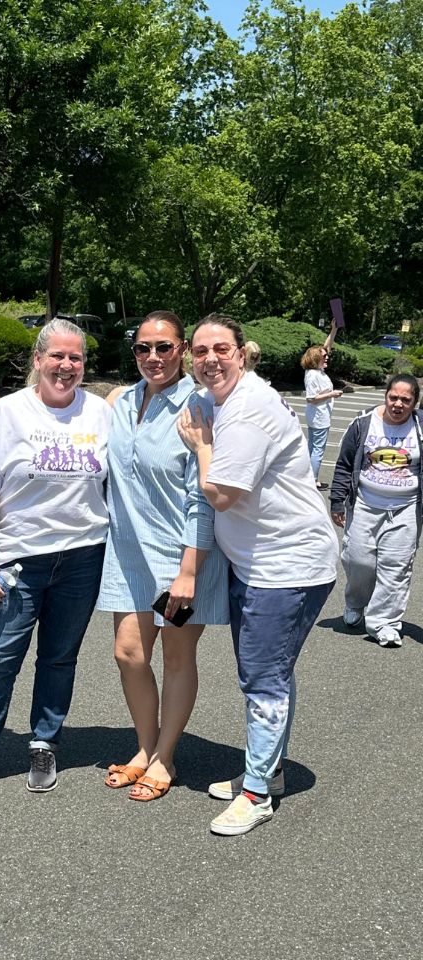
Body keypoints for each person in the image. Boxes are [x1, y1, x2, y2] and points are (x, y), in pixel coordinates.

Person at [178, 313, 338, 836]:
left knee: (263, 678)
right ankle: (269, 772)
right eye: (200, 351)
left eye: (221, 349)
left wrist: (202, 446)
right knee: (270, 673)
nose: (210, 360)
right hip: (259, 563)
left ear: (243, 353)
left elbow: (223, 494)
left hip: (284, 565)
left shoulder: (248, 410)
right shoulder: (223, 398)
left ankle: (256, 794)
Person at [0, 318, 111, 798]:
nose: (66, 365)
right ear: (38, 360)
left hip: (82, 556)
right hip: (19, 559)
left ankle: (44, 742)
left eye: (75, 357)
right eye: (57, 356)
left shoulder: (100, 412)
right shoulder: (8, 413)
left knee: (59, 657)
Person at [97, 310, 229, 802]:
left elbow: (202, 497)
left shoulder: (197, 407)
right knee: (129, 653)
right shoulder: (120, 400)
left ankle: (163, 756)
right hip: (128, 557)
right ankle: (144, 745)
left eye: (164, 347)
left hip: (179, 560)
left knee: (176, 656)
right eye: (142, 348)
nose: (153, 357)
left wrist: (188, 571)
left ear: (182, 350)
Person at [330, 374, 423, 647]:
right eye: (393, 397)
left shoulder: (420, 426)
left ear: (415, 403)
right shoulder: (363, 422)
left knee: (396, 567)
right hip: (365, 505)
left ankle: (384, 623)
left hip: (406, 509)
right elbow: (344, 464)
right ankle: (356, 602)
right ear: (385, 395)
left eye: (405, 400)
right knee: (359, 561)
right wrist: (337, 501)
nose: (398, 404)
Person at [300, 319, 342, 490]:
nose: (327, 357)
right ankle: (313, 481)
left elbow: (326, 346)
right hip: (319, 417)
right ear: (316, 359)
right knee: (317, 449)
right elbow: (311, 398)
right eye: (324, 357)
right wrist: (332, 394)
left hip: (317, 416)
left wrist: (333, 330)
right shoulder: (313, 375)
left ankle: (308, 477)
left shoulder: (317, 370)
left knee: (312, 447)